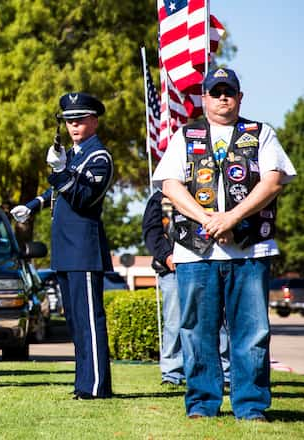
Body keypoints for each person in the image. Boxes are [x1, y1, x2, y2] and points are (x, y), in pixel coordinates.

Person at [153, 68, 296, 421]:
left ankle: (250, 405)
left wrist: (232, 218)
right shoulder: (185, 135)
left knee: (252, 331)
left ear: (240, 97)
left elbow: (274, 181)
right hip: (194, 252)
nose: (222, 99)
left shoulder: (260, 133)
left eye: (228, 92)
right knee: (197, 329)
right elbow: (169, 185)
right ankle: (202, 404)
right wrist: (209, 220)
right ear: (203, 98)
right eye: (215, 93)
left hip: (249, 250)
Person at [10, 92, 114, 399]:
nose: (74, 126)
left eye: (80, 120)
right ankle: (84, 384)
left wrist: (59, 172)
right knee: (75, 322)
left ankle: (96, 386)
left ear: (94, 121)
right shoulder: (75, 155)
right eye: (69, 120)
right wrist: (32, 205)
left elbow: (83, 197)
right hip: (66, 247)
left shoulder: (99, 157)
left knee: (89, 321)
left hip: (83, 247)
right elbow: (56, 192)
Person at [142, 190, 231, 386]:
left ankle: (225, 371)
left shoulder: (208, 192)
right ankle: (172, 373)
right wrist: (166, 256)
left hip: (208, 263)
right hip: (172, 269)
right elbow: (151, 231)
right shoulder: (159, 198)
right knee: (174, 321)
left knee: (217, 319)